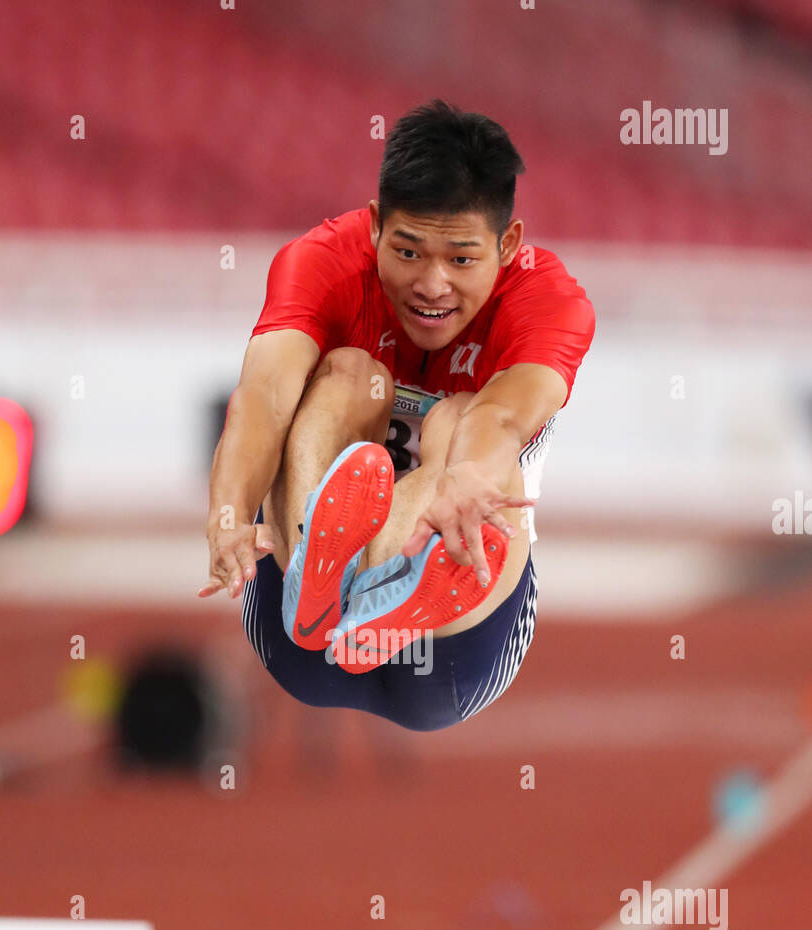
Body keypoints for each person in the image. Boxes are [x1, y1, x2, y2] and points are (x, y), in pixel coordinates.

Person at [200, 100, 595, 731]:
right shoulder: (322, 260)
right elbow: (263, 398)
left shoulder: (549, 301)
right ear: (378, 225)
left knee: (462, 419)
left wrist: (463, 477)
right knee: (349, 375)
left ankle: (392, 589)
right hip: (300, 635)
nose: (432, 286)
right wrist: (226, 515)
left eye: (462, 260)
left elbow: (500, 417)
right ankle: (321, 580)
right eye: (408, 253)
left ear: (509, 243)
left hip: (453, 652)